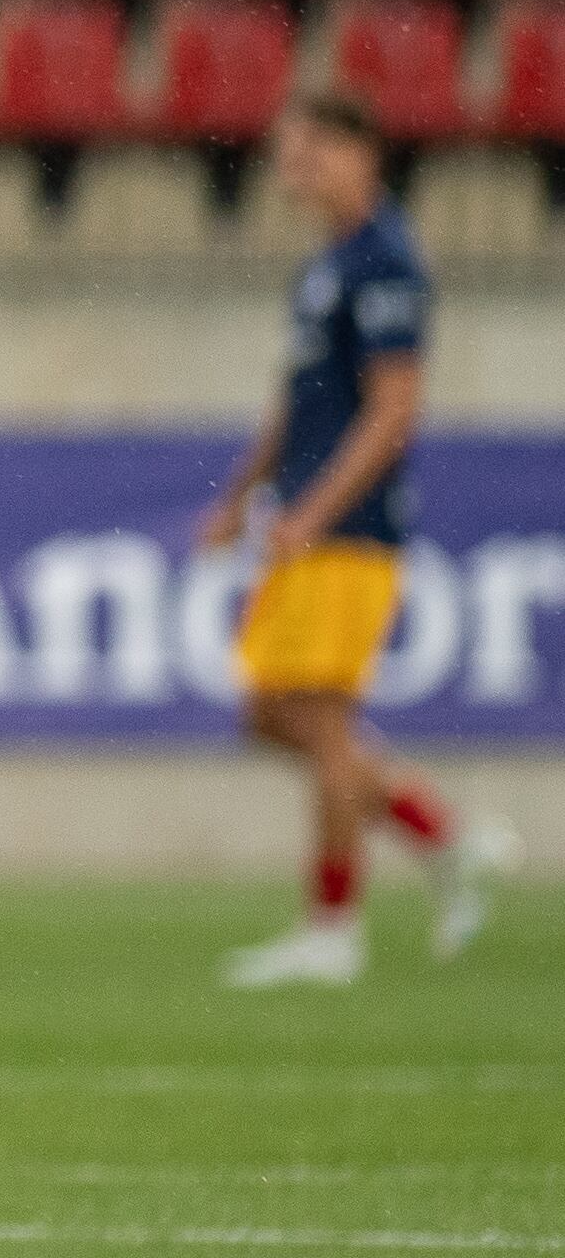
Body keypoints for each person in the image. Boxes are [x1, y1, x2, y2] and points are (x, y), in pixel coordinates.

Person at [201, 90, 504, 988]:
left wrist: (315, 510)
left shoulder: (385, 264)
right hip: (305, 524)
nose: (294, 172)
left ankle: (331, 926)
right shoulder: (326, 265)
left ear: (360, 151)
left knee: (323, 726)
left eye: (308, 153)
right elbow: (296, 403)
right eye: (289, 157)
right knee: (268, 712)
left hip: (348, 533)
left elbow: (392, 409)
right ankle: (443, 838)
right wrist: (242, 496)